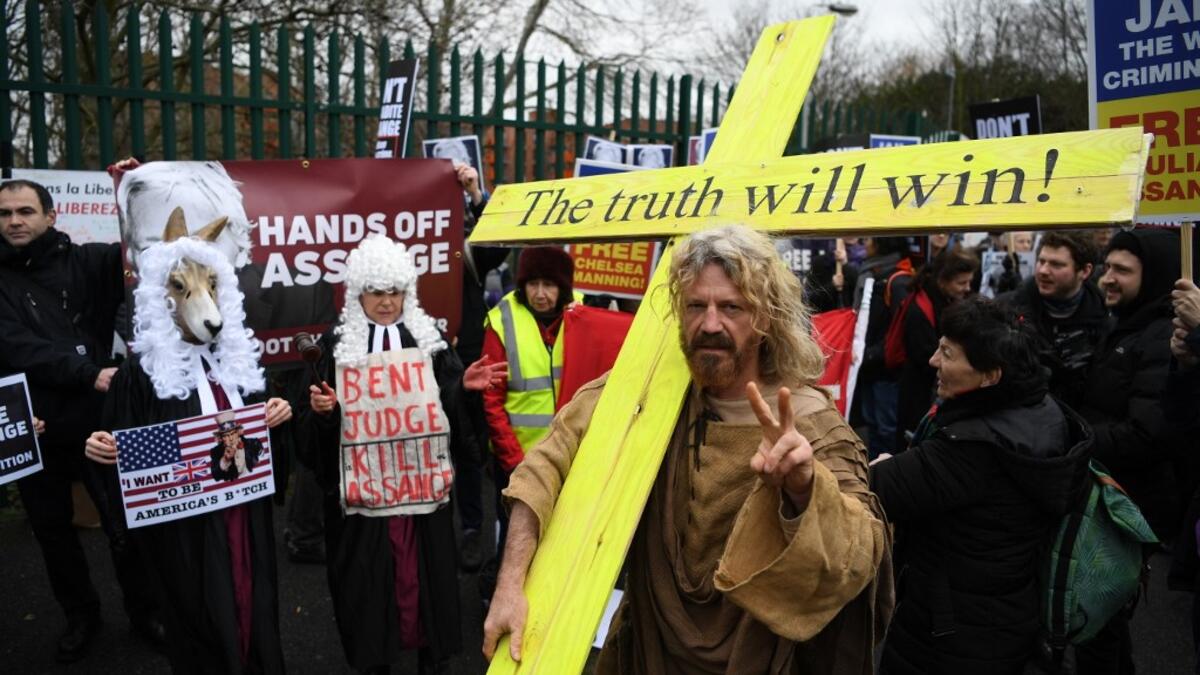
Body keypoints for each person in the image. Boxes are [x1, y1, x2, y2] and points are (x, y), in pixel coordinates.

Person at [482, 226, 893, 673]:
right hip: (648, 655)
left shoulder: (810, 421)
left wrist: (805, 488)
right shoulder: (644, 398)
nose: (710, 324)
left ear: (766, 316)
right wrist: (510, 585)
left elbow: (861, 553)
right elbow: (543, 467)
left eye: (731, 307)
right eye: (697, 306)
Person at [84, 218, 294, 674]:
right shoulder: (140, 375)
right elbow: (128, 457)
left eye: (211, 285)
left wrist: (275, 418)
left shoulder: (237, 359)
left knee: (253, 600)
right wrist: (106, 450)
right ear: (162, 296)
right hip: (186, 529)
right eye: (182, 287)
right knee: (197, 611)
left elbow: (260, 436)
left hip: (244, 515)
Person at [295, 234, 505, 675]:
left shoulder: (428, 341)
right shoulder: (336, 346)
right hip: (363, 505)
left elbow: (447, 413)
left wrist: (461, 391)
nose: (387, 302)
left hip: (420, 497)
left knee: (427, 582)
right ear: (359, 292)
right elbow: (311, 435)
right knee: (369, 590)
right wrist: (324, 413)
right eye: (377, 291)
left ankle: (432, 661)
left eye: (395, 291)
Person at [871, 297, 1092, 674]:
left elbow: (873, 487)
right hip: (1007, 615)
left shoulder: (970, 448)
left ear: (990, 376)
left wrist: (884, 466)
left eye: (947, 354)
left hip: (948, 634)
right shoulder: (1044, 411)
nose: (933, 361)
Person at [0, 178, 162, 661]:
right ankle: (80, 616)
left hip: (100, 420)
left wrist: (135, 186)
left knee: (125, 522)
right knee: (52, 532)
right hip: (34, 423)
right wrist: (88, 372)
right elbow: (17, 347)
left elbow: (147, 249)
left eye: (25, 211)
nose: (14, 221)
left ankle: (145, 612)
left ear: (51, 216)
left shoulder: (91, 262)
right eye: (5, 214)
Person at [1075, 228, 1182, 674]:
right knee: (1104, 622)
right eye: (1107, 267)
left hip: (1131, 502)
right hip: (1111, 493)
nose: (1108, 278)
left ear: (1152, 277)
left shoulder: (1162, 337)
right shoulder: (1124, 322)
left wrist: (1073, 439)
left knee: (1098, 616)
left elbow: (1145, 434)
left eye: (1122, 270)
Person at [481, 246, 575, 539]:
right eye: (533, 284)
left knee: (562, 536)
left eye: (549, 285)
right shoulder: (502, 320)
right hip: (518, 460)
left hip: (568, 458)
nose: (540, 294)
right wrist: (513, 461)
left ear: (563, 287)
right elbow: (491, 399)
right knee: (517, 538)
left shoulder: (581, 315)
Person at [453, 160, 508, 572]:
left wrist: (475, 192)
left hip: (467, 362)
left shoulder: (467, 253)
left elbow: (498, 243)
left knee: (470, 449)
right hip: (424, 361)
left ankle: (473, 529)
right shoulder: (401, 252)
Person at [999, 230, 1105, 407]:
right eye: (1041, 261)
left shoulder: (1106, 318)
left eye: (1056, 265)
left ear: (1085, 271)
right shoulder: (1007, 311)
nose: (1043, 271)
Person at [895, 247, 979, 450]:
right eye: (961, 283)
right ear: (943, 281)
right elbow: (926, 360)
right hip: (919, 396)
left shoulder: (947, 301)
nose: (967, 288)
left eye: (969, 282)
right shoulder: (919, 311)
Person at [851, 236, 914, 459]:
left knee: (886, 427)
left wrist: (873, 353)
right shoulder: (875, 274)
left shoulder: (897, 281)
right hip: (871, 364)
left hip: (885, 369)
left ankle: (886, 469)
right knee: (873, 425)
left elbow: (899, 329)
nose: (865, 244)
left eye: (869, 239)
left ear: (880, 244)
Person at [209, 411, 263, 482]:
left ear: (238, 432)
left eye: (233, 433)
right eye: (226, 436)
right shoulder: (216, 452)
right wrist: (225, 459)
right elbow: (215, 476)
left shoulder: (254, 443)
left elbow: (262, 463)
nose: (231, 438)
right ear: (221, 438)